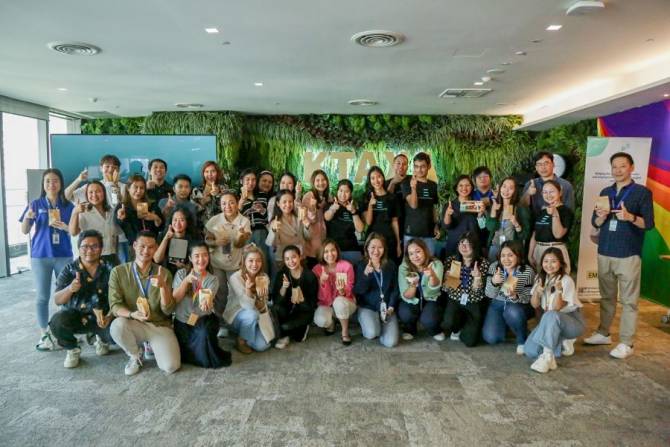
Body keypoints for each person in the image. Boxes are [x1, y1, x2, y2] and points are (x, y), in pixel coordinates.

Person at [584, 152, 655, 359]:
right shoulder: (606, 191)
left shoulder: (642, 192)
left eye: (622, 166)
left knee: (629, 301)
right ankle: (603, 333)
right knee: (606, 297)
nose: (618, 170)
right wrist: (600, 217)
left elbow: (649, 224)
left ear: (631, 168)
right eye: (614, 166)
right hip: (605, 251)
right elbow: (595, 222)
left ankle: (627, 343)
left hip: (628, 254)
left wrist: (630, 217)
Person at [108, 231, 180, 375]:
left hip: (159, 325)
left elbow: (168, 310)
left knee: (171, 367)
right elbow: (115, 305)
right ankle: (135, 354)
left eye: (151, 247)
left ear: (156, 248)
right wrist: (132, 314)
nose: (146, 251)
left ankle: (151, 345)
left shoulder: (163, 273)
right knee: (117, 326)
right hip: (134, 323)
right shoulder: (118, 272)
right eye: (142, 246)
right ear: (134, 246)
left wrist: (163, 287)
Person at [20, 169, 74, 351]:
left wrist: (65, 227)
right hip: (41, 255)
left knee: (66, 295)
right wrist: (28, 218)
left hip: (63, 254)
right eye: (48, 181)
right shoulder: (35, 204)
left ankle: (64, 331)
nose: (52, 184)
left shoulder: (68, 205)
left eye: (55, 180)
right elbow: (24, 230)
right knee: (42, 297)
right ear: (43, 184)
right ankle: (44, 333)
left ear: (61, 183)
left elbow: (75, 230)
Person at [49, 230, 115, 368]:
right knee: (57, 322)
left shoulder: (111, 267)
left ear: (101, 249)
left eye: (94, 246)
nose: (89, 250)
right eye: (85, 246)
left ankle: (102, 339)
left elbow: (121, 295)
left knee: (121, 330)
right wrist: (70, 289)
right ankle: (72, 349)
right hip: (77, 316)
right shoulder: (69, 269)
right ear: (79, 248)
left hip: (104, 317)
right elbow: (57, 300)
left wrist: (110, 316)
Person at [172, 241, 232, 368]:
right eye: (197, 256)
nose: (201, 259)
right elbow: (175, 299)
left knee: (204, 333)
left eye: (205, 255)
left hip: (202, 319)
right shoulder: (181, 274)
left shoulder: (212, 279)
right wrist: (186, 281)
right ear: (190, 258)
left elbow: (208, 297)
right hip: (182, 321)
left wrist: (207, 301)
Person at [524, 248, 584, 373]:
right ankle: (562, 343)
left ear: (561, 263)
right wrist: (537, 292)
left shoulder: (566, 280)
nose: (549, 265)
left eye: (553, 261)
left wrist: (559, 291)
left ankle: (547, 356)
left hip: (571, 322)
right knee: (530, 350)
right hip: (549, 321)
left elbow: (556, 308)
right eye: (546, 261)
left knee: (551, 314)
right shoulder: (540, 278)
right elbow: (534, 304)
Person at [65, 154, 129, 262]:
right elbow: (66, 196)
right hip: (93, 250)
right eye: (107, 166)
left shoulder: (122, 187)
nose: (110, 170)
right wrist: (79, 179)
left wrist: (113, 185)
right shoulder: (93, 186)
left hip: (116, 239)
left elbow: (117, 205)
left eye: (114, 167)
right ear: (101, 168)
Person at [482, 240, 535, 354]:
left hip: (516, 305)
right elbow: (489, 294)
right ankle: (507, 325)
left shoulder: (527, 271)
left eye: (510, 255)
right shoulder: (494, 267)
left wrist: (515, 296)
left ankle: (522, 339)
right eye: (503, 255)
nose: (506, 259)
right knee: (491, 338)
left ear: (518, 255)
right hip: (497, 304)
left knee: (512, 311)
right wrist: (494, 282)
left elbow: (528, 297)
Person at [205, 191, 252, 315]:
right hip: (217, 263)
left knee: (237, 291)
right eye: (224, 203)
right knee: (220, 291)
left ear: (237, 203)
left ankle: (235, 318)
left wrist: (240, 236)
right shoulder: (214, 220)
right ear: (220, 205)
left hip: (235, 263)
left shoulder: (244, 221)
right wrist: (216, 242)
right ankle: (219, 318)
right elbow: (207, 240)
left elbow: (239, 244)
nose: (228, 206)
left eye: (231, 203)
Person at [441, 232, 490, 347]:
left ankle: (468, 326)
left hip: (473, 302)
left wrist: (477, 278)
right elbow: (446, 289)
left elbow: (478, 293)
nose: (463, 246)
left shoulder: (483, 264)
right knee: (448, 323)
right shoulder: (452, 261)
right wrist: (448, 280)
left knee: (470, 342)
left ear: (475, 246)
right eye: (461, 243)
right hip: (455, 300)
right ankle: (458, 327)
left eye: (467, 244)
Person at [225, 246, 275, 353]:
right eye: (251, 260)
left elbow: (263, 305)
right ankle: (241, 340)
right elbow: (247, 306)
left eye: (258, 261)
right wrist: (248, 289)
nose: (254, 264)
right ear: (244, 261)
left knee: (263, 346)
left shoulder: (264, 277)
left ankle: (244, 332)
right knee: (252, 315)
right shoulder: (235, 277)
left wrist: (262, 301)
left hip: (256, 314)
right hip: (237, 314)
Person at [354, 233, 400, 348]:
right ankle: (369, 321)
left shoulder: (390, 265)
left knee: (391, 343)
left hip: (387, 308)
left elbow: (395, 289)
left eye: (380, 247)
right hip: (368, 306)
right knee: (372, 333)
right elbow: (359, 291)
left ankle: (380, 324)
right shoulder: (361, 265)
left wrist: (391, 307)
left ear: (384, 249)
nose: (376, 251)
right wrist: (366, 275)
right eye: (373, 247)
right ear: (367, 248)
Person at [397, 238, 445, 341]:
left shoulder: (436, 264)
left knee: (429, 319)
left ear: (425, 250)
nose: (415, 256)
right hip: (412, 300)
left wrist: (432, 276)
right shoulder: (403, 267)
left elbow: (434, 291)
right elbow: (406, 295)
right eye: (411, 254)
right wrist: (413, 285)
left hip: (431, 298)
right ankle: (410, 329)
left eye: (418, 251)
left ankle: (435, 330)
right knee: (406, 314)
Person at [272, 245, 318, 349]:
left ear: (300, 257)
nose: (291, 261)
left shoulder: (309, 275)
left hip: (303, 311)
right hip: (287, 310)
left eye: (293, 257)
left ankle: (293, 329)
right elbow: (276, 301)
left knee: (292, 333)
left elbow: (312, 305)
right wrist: (284, 288)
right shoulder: (282, 274)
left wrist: (302, 299)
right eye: (287, 259)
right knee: (277, 309)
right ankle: (285, 333)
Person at [312, 240, 356, 345]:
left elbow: (350, 289)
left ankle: (344, 331)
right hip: (326, 304)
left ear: (337, 251)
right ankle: (331, 323)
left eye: (333, 250)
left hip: (346, 302)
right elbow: (320, 296)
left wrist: (342, 291)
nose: (330, 254)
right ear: (322, 254)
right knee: (320, 320)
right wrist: (322, 282)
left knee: (339, 302)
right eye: (326, 251)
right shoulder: (317, 269)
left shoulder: (347, 266)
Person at [69, 180, 121, 264]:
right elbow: (73, 232)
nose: (94, 195)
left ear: (104, 193)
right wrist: (75, 212)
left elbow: (116, 235)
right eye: (91, 192)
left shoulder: (111, 211)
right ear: (86, 195)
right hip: (91, 258)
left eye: (98, 191)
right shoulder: (83, 212)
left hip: (111, 256)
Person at [528, 180, 573, 273]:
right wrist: (530, 254)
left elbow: (558, 234)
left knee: (558, 280)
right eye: (545, 192)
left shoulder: (566, 212)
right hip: (539, 250)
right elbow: (535, 234)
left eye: (551, 191)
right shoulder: (541, 212)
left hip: (556, 251)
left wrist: (555, 213)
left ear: (560, 192)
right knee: (540, 280)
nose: (548, 195)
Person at [485, 176, 531, 262]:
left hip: (512, 250)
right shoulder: (494, 206)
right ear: (500, 188)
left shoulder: (521, 208)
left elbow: (525, 235)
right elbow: (491, 228)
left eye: (510, 188)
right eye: (504, 186)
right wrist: (494, 211)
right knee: (493, 270)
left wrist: (516, 223)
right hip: (495, 247)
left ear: (515, 191)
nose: (506, 190)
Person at [401, 152, 439, 254]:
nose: (419, 170)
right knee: (410, 261)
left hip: (429, 233)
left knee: (430, 260)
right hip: (411, 232)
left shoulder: (433, 185)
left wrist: (436, 225)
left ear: (429, 166)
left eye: (422, 166)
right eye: (416, 166)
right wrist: (413, 188)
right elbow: (413, 205)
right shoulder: (406, 183)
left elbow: (433, 207)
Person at [362, 166, 402, 262]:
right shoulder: (365, 197)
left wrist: (398, 244)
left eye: (379, 177)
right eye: (373, 178)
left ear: (383, 178)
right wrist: (370, 205)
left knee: (389, 265)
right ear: (369, 180)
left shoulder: (392, 198)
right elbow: (368, 222)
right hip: (372, 239)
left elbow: (394, 222)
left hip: (389, 238)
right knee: (373, 265)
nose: (376, 180)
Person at [266, 190, 311, 271]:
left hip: (300, 256)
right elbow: (271, 243)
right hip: (284, 259)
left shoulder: (299, 217)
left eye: (290, 202)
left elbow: (307, 238)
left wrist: (307, 226)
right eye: (284, 202)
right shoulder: (275, 221)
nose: (288, 205)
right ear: (278, 203)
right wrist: (273, 230)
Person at [114, 174, 163, 247]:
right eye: (135, 187)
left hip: (152, 244)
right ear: (128, 188)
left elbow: (161, 227)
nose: (139, 191)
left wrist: (155, 218)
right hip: (135, 246)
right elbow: (119, 227)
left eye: (142, 188)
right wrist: (120, 219)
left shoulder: (151, 205)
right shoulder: (122, 207)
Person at [239, 169, 272, 273]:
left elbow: (268, 218)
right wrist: (241, 201)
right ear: (241, 181)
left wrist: (262, 210)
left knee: (263, 260)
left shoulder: (262, 195)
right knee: (247, 261)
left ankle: (264, 281)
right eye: (247, 179)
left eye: (253, 180)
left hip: (261, 232)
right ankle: (248, 282)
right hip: (246, 233)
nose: (251, 182)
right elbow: (234, 217)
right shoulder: (236, 196)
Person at [324, 179, 365, 264]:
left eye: (346, 191)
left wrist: (353, 212)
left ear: (350, 193)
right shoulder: (330, 205)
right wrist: (333, 209)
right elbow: (326, 217)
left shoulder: (354, 207)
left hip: (351, 249)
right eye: (341, 190)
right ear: (337, 191)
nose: (343, 194)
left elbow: (360, 229)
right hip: (333, 251)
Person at [154, 205, 199, 276]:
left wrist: (186, 267)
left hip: (186, 274)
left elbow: (198, 263)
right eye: (175, 220)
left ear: (187, 222)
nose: (178, 224)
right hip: (165, 273)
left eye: (182, 220)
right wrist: (166, 238)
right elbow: (157, 259)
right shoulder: (163, 235)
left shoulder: (194, 237)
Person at [442, 175, 481, 257]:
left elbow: (482, 226)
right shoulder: (450, 205)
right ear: (456, 188)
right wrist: (448, 214)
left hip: (472, 245)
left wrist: (481, 213)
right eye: (461, 185)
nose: (464, 188)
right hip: (454, 244)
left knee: (473, 264)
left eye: (467, 185)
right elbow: (446, 226)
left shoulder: (476, 204)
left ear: (472, 187)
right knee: (453, 265)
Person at [302, 169, 331, 268]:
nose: (321, 183)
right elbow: (308, 219)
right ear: (313, 182)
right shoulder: (309, 196)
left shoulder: (328, 196)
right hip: (312, 238)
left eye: (323, 180)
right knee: (314, 266)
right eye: (317, 180)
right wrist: (312, 207)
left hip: (324, 237)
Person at [191, 160, 228, 225]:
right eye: (206, 171)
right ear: (203, 174)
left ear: (217, 173)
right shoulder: (196, 190)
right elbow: (192, 211)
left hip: (220, 226)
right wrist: (203, 201)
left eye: (213, 171)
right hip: (202, 227)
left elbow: (228, 209)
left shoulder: (224, 188)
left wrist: (218, 195)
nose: (210, 174)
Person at [385, 153, 409, 243]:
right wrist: (393, 183)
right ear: (393, 165)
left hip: (409, 224)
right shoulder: (386, 183)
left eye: (404, 164)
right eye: (398, 163)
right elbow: (385, 202)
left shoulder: (412, 180)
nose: (401, 166)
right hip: (392, 224)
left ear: (407, 166)